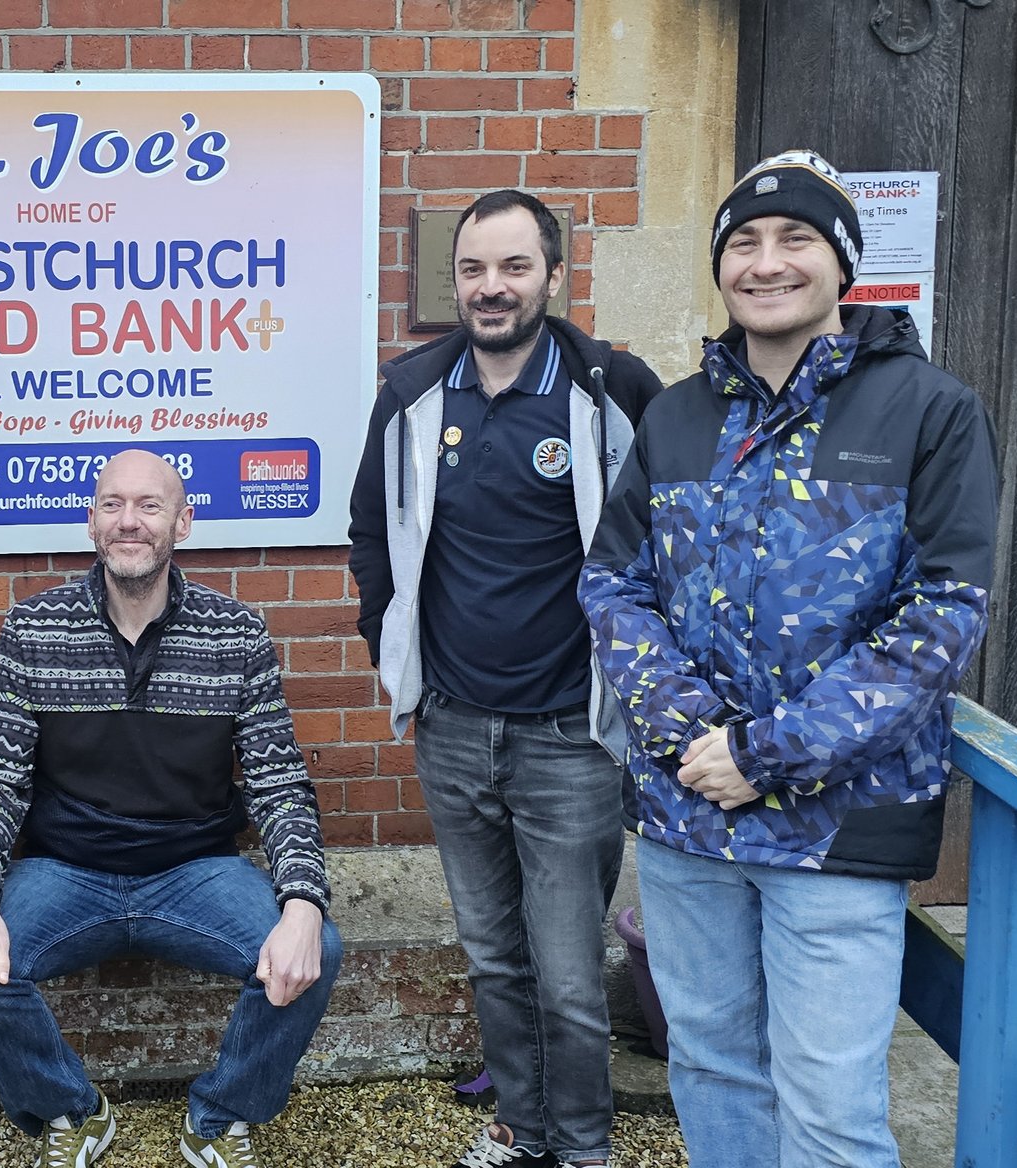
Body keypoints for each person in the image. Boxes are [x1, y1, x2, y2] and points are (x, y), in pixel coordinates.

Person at [579, 149, 999, 1168]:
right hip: (688, 818)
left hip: (838, 829)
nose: (766, 263)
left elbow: (941, 615)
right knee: (712, 1064)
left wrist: (764, 753)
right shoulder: (677, 417)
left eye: (794, 240)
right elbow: (612, 584)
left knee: (829, 1103)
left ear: (841, 265)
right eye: (743, 244)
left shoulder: (927, 411)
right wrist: (692, 737)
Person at [346, 190, 661, 1168]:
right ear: (456, 281)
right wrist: (393, 652)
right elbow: (371, 539)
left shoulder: (613, 389)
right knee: (492, 958)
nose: (492, 287)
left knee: (565, 973)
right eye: (475, 269)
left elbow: (667, 543)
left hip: (570, 733)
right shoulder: (410, 394)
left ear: (553, 277)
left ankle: (583, 1147)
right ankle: (525, 1133)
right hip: (450, 727)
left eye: (514, 267)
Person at [0, 451, 340, 1168]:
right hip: (68, 872)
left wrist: (304, 904)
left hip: (196, 871)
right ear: (90, 520)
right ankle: (74, 1111)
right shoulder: (33, 630)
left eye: (150, 506)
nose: (130, 521)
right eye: (113, 504)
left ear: (184, 521)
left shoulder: (235, 634)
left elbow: (279, 784)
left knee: (321, 948)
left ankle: (219, 1118)